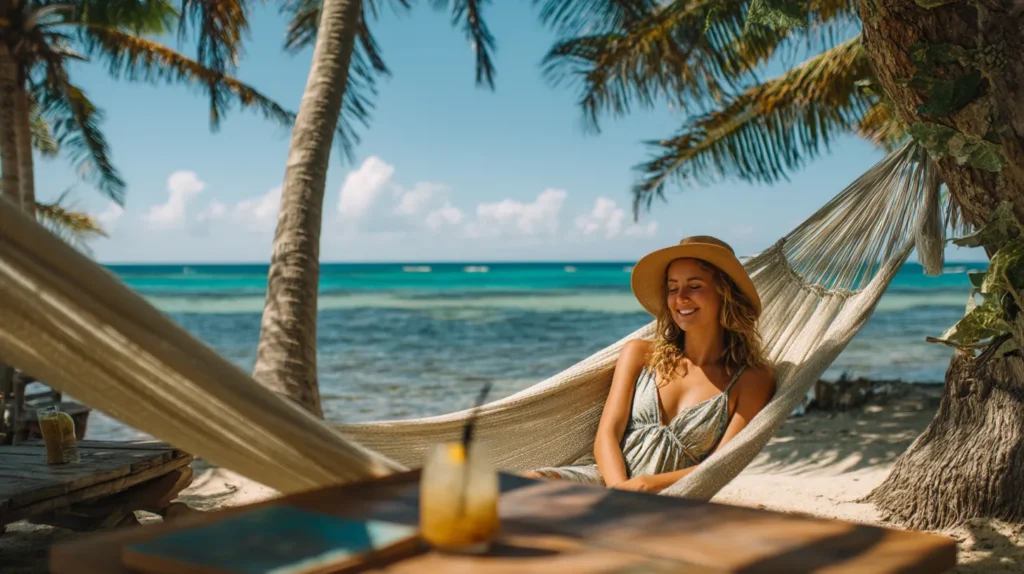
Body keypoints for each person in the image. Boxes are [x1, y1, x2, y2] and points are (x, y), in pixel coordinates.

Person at [525, 236, 776, 493]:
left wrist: (645, 486)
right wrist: (621, 490)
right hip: (606, 481)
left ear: (725, 294)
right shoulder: (640, 354)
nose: (681, 298)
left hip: (673, 498)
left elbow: (721, 465)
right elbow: (608, 434)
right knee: (526, 483)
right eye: (672, 288)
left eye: (694, 286)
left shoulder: (752, 378)